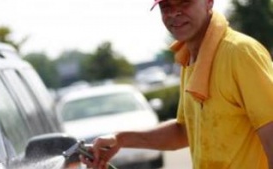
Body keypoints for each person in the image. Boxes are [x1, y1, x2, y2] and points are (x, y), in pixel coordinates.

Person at [80, 0, 273, 168]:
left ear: (209, 2)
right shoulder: (189, 58)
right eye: (165, 6)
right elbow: (185, 131)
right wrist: (120, 139)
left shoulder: (240, 53)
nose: (173, 13)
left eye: (184, 2)